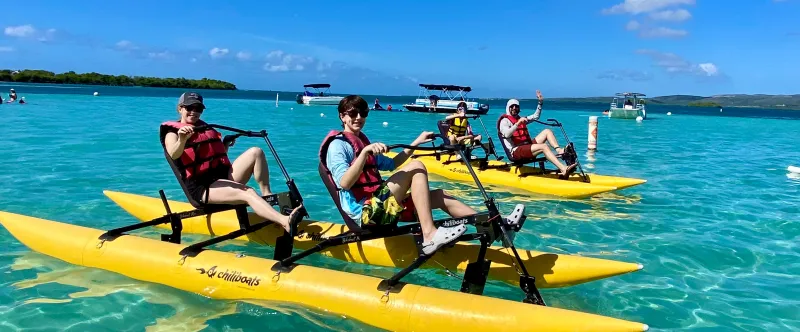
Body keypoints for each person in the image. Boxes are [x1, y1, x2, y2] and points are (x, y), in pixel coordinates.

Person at [321, 95, 478, 255]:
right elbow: (344, 183)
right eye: (353, 114)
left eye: (363, 113)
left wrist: (416, 142)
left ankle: (489, 224)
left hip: (383, 209)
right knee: (416, 166)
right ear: (342, 116)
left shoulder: (362, 141)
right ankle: (429, 235)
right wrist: (364, 154)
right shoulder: (337, 146)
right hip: (366, 214)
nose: (359, 118)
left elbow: (392, 164)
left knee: (440, 196)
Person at [161, 92, 303, 233]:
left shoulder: (204, 127)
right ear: (180, 109)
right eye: (189, 108)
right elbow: (174, 154)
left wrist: (225, 146)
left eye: (198, 109)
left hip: (222, 178)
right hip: (203, 188)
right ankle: (285, 221)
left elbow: (212, 159)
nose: (194, 112)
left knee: (256, 151)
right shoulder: (173, 133)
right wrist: (182, 140)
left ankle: (267, 195)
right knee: (248, 192)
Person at [498, 90, 577, 177]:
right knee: (544, 147)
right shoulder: (504, 121)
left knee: (547, 131)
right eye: (512, 106)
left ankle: (560, 151)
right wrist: (517, 124)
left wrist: (540, 103)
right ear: (508, 108)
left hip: (526, 146)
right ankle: (563, 169)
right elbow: (506, 134)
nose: (514, 108)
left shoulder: (520, 119)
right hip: (516, 151)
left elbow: (536, 116)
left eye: (516, 107)